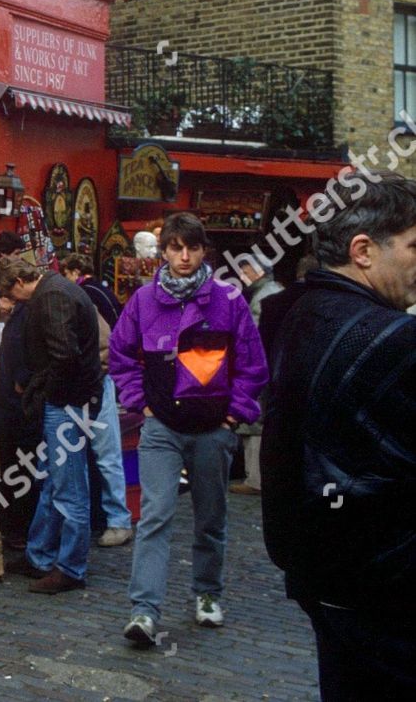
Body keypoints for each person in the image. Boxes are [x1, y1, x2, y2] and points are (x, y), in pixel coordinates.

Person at [260, 173, 416, 700]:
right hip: (384, 591)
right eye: (415, 246)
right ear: (364, 251)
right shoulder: (391, 337)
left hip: (321, 580)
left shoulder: (296, 313)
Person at [110, 213, 267, 646]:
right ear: (163, 251)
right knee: (155, 516)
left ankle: (208, 594)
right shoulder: (143, 301)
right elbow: (120, 355)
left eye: (192, 248)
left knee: (210, 517)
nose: (184, 256)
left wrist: (233, 415)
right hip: (161, 427)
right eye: (176, 247)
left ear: (203, 252)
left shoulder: (228, 300)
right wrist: (139, 402)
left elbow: (252, 365)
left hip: (212, 429)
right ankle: (144, 611)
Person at [0, 255, 103, 594]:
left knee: (67, 488)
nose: (11, 302)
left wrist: (44, 392)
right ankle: (40, 555)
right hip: (68, 400)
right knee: (54, 482)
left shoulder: (51, 297)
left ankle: (70, 567)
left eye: (8, 294)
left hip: (67, 402)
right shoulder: (55, 290)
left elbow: (64, 357)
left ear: (17, 284)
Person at [60, 254, 133, 547]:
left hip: (95, 388)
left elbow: (108, 347)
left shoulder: (81, 302)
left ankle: (118, 520)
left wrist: (94, 374)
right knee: (89, 458)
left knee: (106, 455)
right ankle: (101, 519)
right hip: (79, 391)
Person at [0, 287, 41, 557]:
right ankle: (19, 529)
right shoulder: (24, 316)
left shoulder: (20, 321)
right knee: (21, 470)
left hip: (15, 411)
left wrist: (20, 386)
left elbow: (20, 369)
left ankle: (17, 530)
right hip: (18, 410)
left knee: (16, 470)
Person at [228, 252, 283, 497]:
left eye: (246, 270)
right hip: (273, 367)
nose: (243, 276)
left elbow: (256, 339)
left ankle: (255, 478)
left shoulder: (263, 297)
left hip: (263, 368)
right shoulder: (275, 291)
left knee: (255, 423)